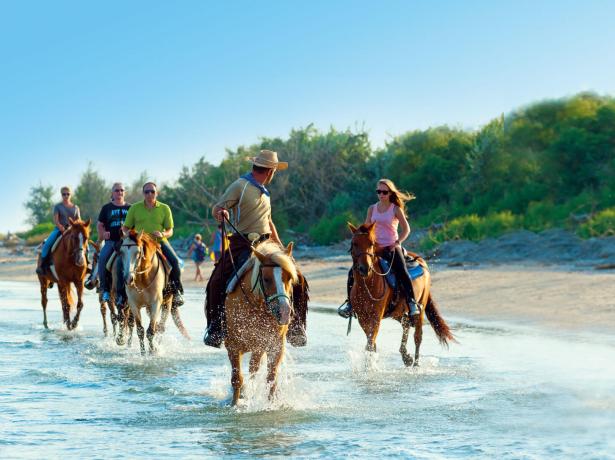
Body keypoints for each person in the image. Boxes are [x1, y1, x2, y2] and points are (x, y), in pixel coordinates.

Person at [203, 149, 307, 348]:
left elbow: (269, 221)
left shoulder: (265, 192)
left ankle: (296, 326)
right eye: (274, 171)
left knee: (298, 277)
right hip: (242, 244)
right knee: (216, 280)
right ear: (270, 171)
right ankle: (216, 328)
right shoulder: (240, 185)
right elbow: (217, 208)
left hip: (268, 244)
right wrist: (222, 212)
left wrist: (281, 248)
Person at [338, 178, 420, 319]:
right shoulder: (372, 209)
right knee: (353, 272)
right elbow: (366, 229)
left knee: (402, 271)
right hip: (374, 248)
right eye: (379, 191)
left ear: (390, 193)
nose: (381, 194)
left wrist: (398, 242)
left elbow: (406, 229)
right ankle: (350, 304)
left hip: (391, 247)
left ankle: (412, 303)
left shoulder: (395, 209)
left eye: (384, 192)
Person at [121, 182, 184, 307]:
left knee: (175, 262)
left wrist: (162, 234)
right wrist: (132, 235)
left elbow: (170, 230)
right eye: (147, 192)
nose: (150, 194)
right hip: (139, 243)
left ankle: (177, 292)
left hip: (159, 242)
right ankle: (120, 295)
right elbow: (125, 228)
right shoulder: (135, 208)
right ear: (143, 193)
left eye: (152, 191)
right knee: (119, 263)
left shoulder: (165, 208)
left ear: (157, 193)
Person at [96, 183, 131, 303]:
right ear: (112, 193)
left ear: (124, 192)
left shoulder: (130, 208)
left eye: (122, 190)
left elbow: (135, 224)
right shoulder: (106, 208)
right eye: (117, 190)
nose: (119, 192)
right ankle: (105, 289)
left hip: (127, 242)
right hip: (111, 241)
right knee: (102, 258)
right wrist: (103, 233)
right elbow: (100, 224)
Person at [36, 186, 81, 275]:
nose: (66, 196)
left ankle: (86, 263)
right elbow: (56, 220)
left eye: (68, 194)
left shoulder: (76, 208)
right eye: (64, 194)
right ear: (61, 195)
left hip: (72, 231)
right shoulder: (58, 206)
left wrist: (75, 229)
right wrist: (62, 228)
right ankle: (42, 266)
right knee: (47, 244)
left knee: (83, 245)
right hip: (59, 229)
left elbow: (79, 220)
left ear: (70, 195)